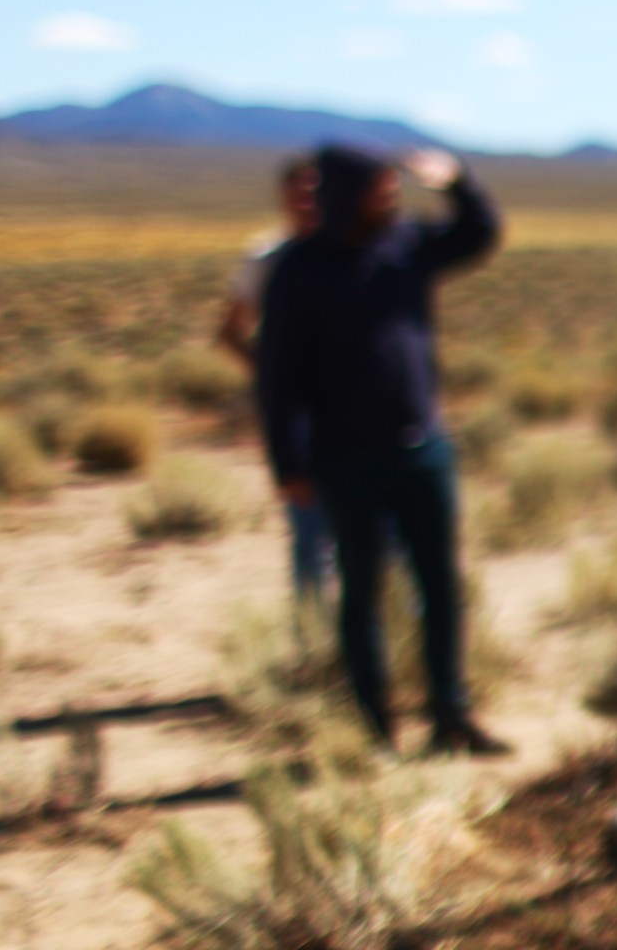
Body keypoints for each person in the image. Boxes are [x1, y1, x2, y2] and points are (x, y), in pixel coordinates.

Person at [258, 143, 510, 756]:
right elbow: (277, 376)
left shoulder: (406, 248)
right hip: (345, 460)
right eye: (381, 191)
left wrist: (458, 182)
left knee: (440, 586)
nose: (393, 199)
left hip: (423, 451)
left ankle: (450, 715)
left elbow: (480, 234)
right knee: (362, 593)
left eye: (395, 191)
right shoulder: (299, 268)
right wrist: (287, 463)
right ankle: (376, 729)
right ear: (347, 193)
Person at [219, 158, 333, 600]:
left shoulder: (358, 250)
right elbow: (230, 333)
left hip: (362, 415)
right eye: (296, 192)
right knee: (310, 535)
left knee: (384, 535)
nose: (306, 201)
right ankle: (315, 644)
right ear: (283, 198)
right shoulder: (267, 259)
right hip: (301, 421)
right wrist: (277, 379)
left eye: (314, 191)